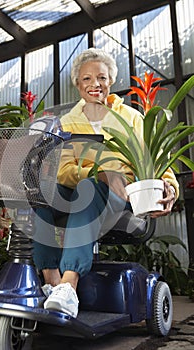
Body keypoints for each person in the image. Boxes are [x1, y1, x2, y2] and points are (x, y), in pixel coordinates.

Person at [33, 48, 179, 318]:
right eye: (86, 79)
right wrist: (96, 173)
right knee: (40, 195)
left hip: (123, 197)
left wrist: (169, 186)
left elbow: (160, 161)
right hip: (82, 193)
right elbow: (64, 170)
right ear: (78, 84)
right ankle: (52, 282)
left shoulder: (133, 118)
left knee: (88, 190)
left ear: (111, 80)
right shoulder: (66, 123)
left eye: (101, 77)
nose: (94, 84)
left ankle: (69, 284)